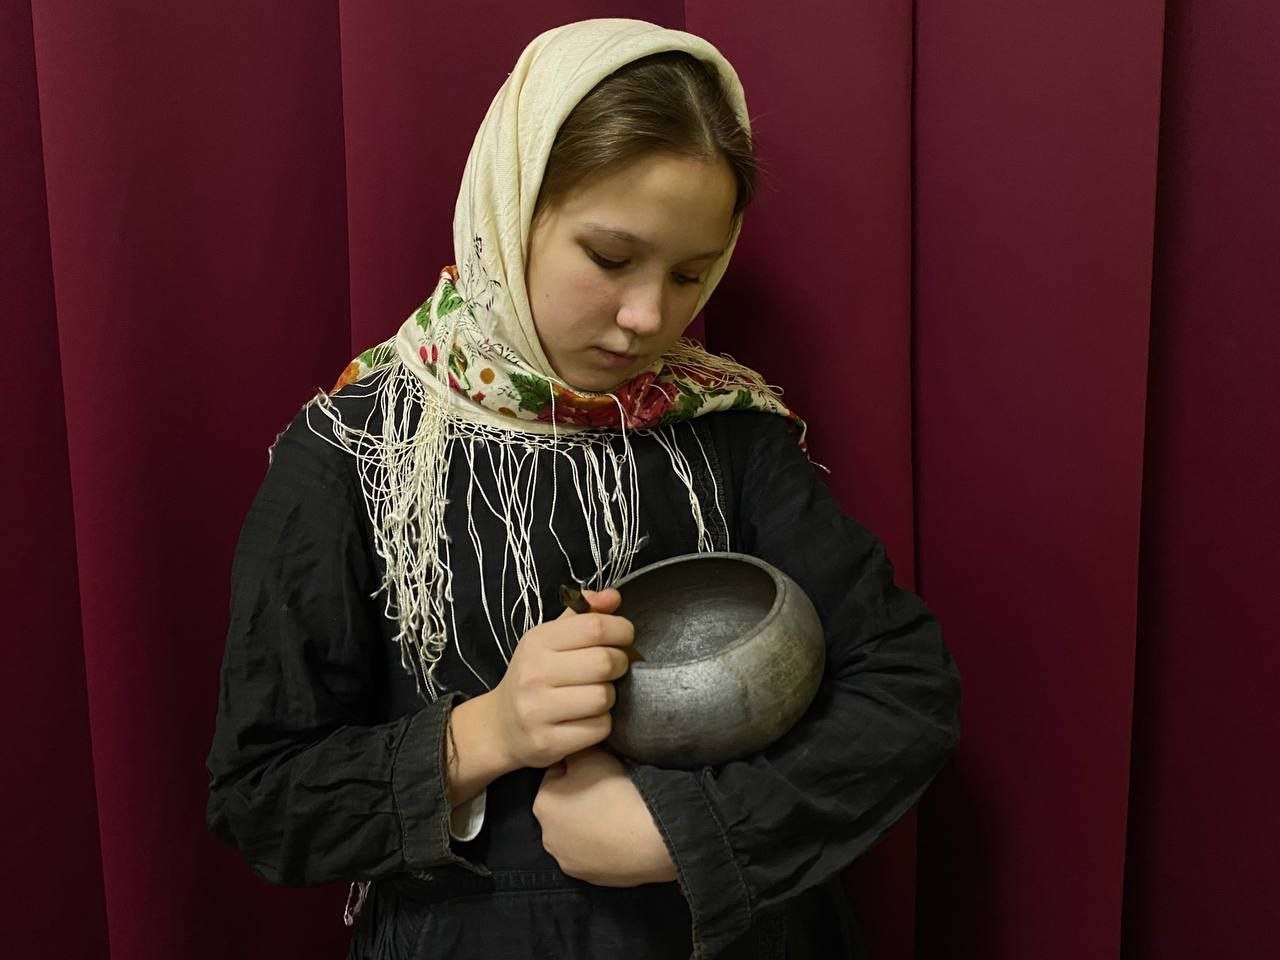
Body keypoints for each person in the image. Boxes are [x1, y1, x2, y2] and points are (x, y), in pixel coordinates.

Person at [206, 18, 960, 960]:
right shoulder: (358, 448)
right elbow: (263, 795)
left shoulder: (728, 430)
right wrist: (488, 732)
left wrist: (684, 834)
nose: (648, 317)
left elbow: (905, 689)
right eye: (609, 258)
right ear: (511, 209)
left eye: (690, 274)